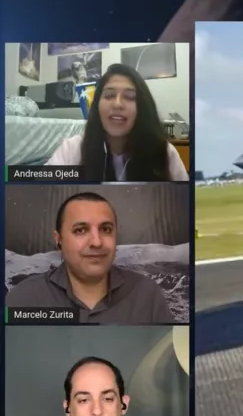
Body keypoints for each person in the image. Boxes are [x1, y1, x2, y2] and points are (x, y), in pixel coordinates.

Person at [5, 192, 176, 324]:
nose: (96, 242)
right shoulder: (24, 299)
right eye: (80, 230)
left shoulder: (147, 294)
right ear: (59, 240)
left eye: (106, 229)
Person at [46, 64, 189, 182]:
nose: (117, 104)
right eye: (109, 95)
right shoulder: (72, 149)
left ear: (142, 107)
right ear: (97, 105)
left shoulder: (164, 152)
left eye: (129, 97)